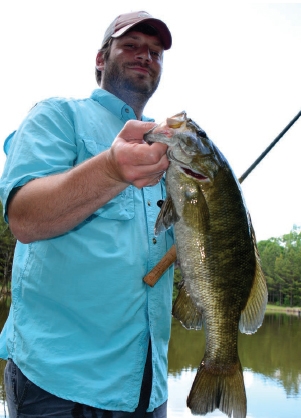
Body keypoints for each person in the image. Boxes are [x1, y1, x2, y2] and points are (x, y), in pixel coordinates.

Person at [0, 11, 174, 418]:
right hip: (58, 384)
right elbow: (24, 218)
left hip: (148, 391)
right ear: (101, 59)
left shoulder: (169, 146)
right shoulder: (58, 115)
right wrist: (111, 168)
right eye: (130, 46)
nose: (145, 56)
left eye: (155, 52)